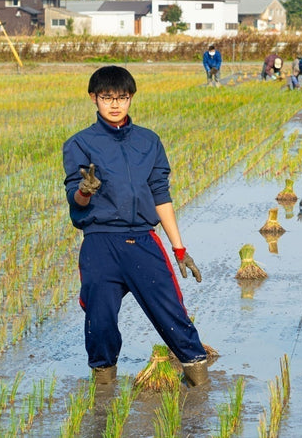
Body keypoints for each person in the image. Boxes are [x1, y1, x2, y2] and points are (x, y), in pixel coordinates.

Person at [62, 65, 209, 387]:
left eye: (122, 98)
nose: (115, 105)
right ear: (93, 98)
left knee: (172, 316)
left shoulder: (148, 141)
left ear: (131, 99)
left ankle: (199, 382)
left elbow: (161, 194)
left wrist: (179, 248)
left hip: (142, 241)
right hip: (100, 243)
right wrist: (85, 190)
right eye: (107, 98)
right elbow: (76, 200)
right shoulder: (80, 144)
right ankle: (103, 389)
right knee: (99, 322)